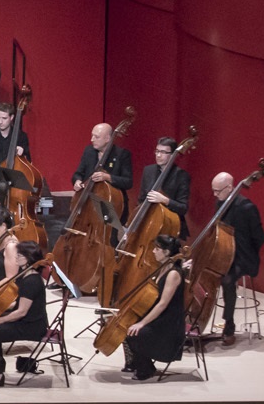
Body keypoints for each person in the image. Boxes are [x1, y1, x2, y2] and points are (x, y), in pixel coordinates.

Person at [0, 239, 49, 387]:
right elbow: (20, 304)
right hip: (28, 320)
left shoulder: (31, 281)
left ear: (28, 258)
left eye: (19, 255)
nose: (16, 257)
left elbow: (21, 312)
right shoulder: (26, 274)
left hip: (32, 326)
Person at [211, 170, 264, 346]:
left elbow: (260, 237)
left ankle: (229, 326)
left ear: (229, 187)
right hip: (224, 254)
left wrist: (244, 249)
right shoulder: (220, 203)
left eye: (217, 191)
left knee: (227, 280)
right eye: (213, 190)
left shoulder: (247, 207)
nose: (215, 194)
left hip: (243, 257)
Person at [121, 234, 185, 381]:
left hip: (168, 324)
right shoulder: (163, 268)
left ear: (167, 252)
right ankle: (135, 363)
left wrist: (142, 323)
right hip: (161, 318)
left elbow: (163, 304)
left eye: (157, 249)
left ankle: (146, 368)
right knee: (125, 325)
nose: (153, 251)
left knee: (134, 332)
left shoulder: (173, 274)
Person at [71, 121, 135, 217]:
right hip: (88, 204)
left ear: (107, 139)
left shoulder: (122, 154)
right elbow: (78, 173)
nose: (92, 139)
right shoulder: (89, 151)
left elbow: (128, 182)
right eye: (92, 135)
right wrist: (77, 181)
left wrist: (107, 177)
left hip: (113, 206)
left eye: (96, 137)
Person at [138, 137, 192, 234]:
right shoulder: (148, 170)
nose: (158, 155)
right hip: (148, 222)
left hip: (168, 227)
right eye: (157, 151)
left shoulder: (181, 176)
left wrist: (165, 200)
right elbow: (141, 199)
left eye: (163, 152)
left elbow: (183, 208)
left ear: (172, 155)